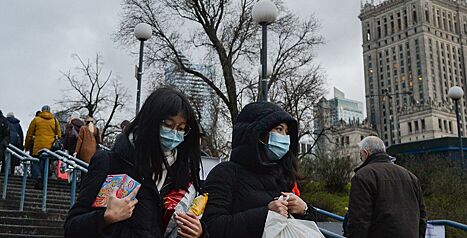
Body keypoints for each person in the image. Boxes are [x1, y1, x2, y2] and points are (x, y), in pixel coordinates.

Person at [64, 86, 206, 238]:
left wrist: (199, 233)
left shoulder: (184, 175)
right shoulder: (110, 163)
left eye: (181, 128)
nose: (173, 133)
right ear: (150, 121)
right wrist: (105, 218)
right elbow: (72, 228)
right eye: (168, 125)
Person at [203, 101, 318, 238]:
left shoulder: (282, 175)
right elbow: (211, 226)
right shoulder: (225, 173)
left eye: (287, 132)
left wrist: (304, 210)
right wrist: (265, 214)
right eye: (279, 129)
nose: (285, 137)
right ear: (257, 133)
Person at [345, 136, 427, 238]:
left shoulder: (363, 176)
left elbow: (359, 221)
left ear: (366, 153)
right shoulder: (411, 177)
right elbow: (422, 217)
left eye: (361, 156)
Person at [24, 105, 62, 188]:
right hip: (49, 148)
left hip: (37, 147)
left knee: (36, 163)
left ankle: (37, 179)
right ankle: (44, 182)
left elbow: (29, 134)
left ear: (42, 111)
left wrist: (26, 146)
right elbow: (59, 135)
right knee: (46, 164)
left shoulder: (36, 120)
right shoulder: (55, 121)